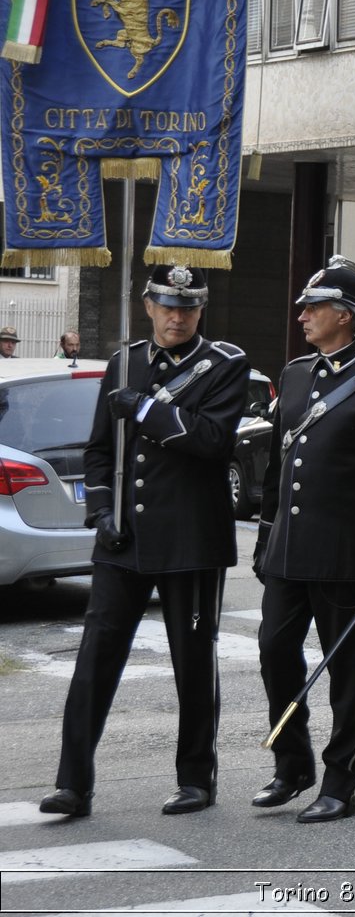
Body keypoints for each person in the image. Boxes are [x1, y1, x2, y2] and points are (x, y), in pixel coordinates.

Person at [38, 267, 248, 820]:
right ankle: (72, 783)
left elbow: (211, 441)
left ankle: (196, 779)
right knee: (94, 660)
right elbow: (99, 449)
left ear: (201, 311)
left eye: (188, 308)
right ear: (148, 305)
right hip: (123, 538)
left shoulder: (226, 365)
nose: (177, 317)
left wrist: (149, 409)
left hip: (190, 540)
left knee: (193, 662)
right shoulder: (123, 362)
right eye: (167, 306)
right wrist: (101, 509)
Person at [252, 256, 355, 823]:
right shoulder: (296, 375)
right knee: (274, 650)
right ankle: (292, 765)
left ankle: (342, 781)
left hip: (346, 554)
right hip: (290, 551)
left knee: (347, 673)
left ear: (345, 317)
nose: (302, 315)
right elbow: (279, 464)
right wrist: (266, 535)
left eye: (313, 306)